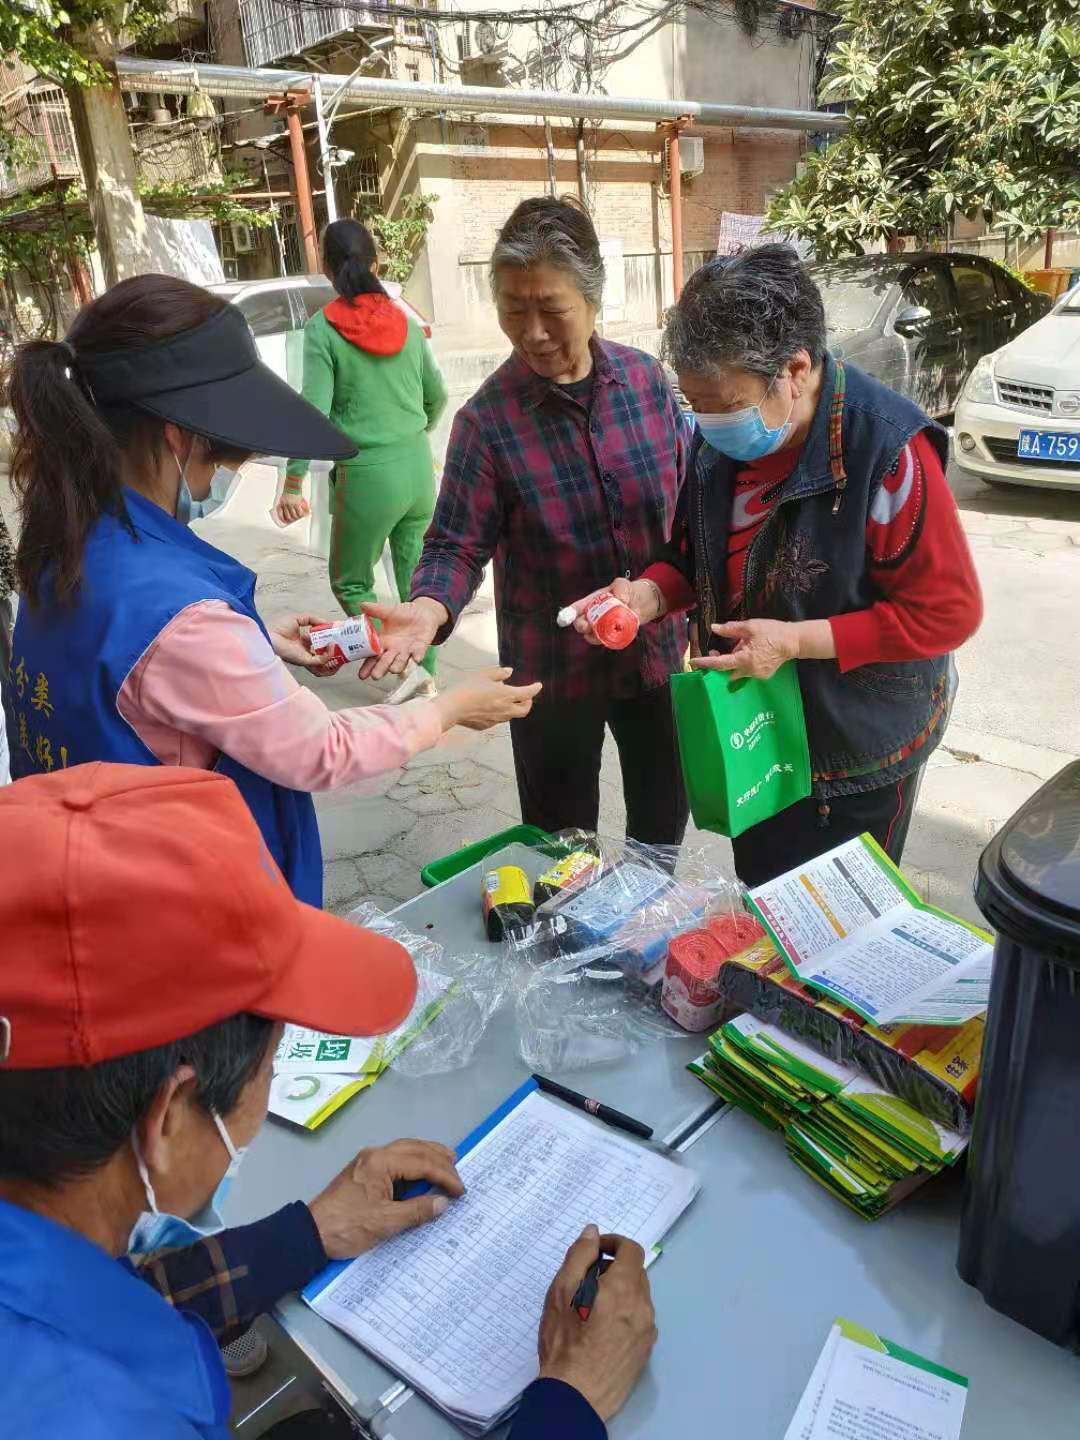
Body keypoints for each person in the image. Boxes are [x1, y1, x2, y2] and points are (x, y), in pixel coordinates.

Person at [0, 762, 658, 1440]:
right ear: (169, 1118)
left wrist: (308, 1233)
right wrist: (570, 1402)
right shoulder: (98, 1417)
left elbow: (110, 1303)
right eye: (272, 1065)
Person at [5, 275, 540, 907]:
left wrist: (256, 641)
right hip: (182, 909)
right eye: (223, 465)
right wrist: (446, 711)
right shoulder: (184, 619)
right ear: (178, 437)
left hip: (88, 878)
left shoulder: (60, 541)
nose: (221, 481)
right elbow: (319, 749)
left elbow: (139, 676)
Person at [569, 245, 982, 885]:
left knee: (840, 928)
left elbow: (946, 614)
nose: (707, 422)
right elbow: (690, 555)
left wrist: (793, 641)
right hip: (756, 728)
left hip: (855, 742)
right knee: (765, 902)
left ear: (794, 368)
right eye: (695, 402)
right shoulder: (720, 444)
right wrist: (646, 597)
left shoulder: (887, 453)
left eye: (723, 404)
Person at [360, 196, 690, 847]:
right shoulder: (488, 422)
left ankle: (648, 929)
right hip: (553, 673)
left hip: (656, 656)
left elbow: (689, 511)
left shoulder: (648, 382)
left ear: (593, 301)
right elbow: (454, 543)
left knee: (662, 818)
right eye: (515, 309)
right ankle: (568, 940)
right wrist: (428, 608)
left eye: (551, 309)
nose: (533, 331)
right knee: (560, 842)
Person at [275, 220, 448, 705]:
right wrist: (409, 434)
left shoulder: (323, 330)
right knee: (417, 581)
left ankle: (407, 665)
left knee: (351, 579)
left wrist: (292, 482)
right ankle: (427, 677)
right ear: (375, 264)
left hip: (366, 473)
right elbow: (437, 398)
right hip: (417, 467)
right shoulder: (406, 322)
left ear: (326, 268)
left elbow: (314, 412)